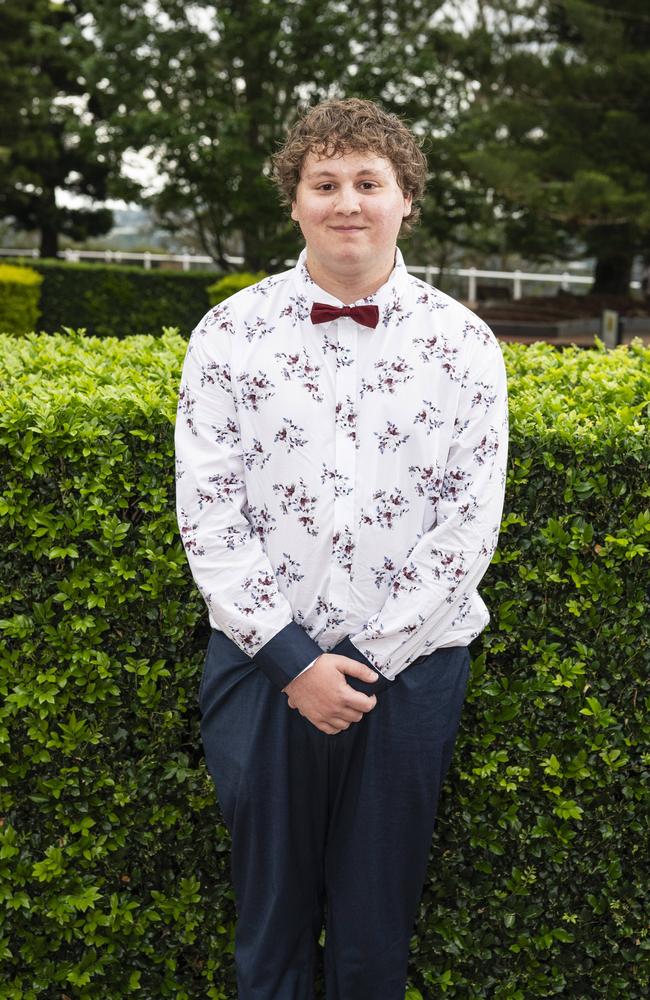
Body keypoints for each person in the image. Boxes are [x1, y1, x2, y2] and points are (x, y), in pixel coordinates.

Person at [174, 97, 508, 1000]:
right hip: (260, 666)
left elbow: (467, 528)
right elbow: (209, 513)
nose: (347, 201)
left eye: (370, 182)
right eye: (325, 183)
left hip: (411, 670)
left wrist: (358, 664)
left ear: (406, 200)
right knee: (269, 924)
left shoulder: (467, 345)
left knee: (374, 929)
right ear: (295, 200)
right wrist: (295, 661)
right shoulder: (228, 336)